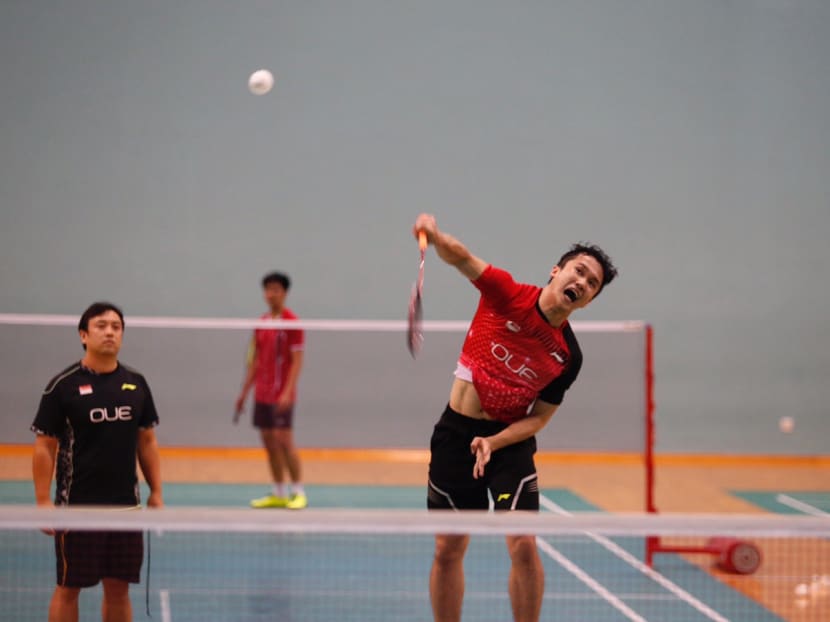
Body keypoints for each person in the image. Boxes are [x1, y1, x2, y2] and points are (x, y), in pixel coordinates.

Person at [414, 213, 617, 622]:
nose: (582, 282)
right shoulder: (506, 294)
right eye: (578, 271)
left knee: (523, 543)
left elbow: (539, 418)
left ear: (589, 301)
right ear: (556, 271)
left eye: (591, 283)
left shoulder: (568, 357)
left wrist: (495, 442)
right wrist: (435, 237)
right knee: (448, 548)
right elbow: (462, 257)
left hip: (508, 445)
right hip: (456, 436)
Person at [31, 302, 163, 622]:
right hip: (77, 508)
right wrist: (42, 501)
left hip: (125, 508)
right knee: (69, 588)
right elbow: (44, 447)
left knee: (118, 589)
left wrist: (157, 491)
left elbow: (147, 441)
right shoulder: (62, 386)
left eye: (116, 327)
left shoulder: (136, 383)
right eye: (101, 326)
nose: (109, 332)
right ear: (83, 335)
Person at [235, 271, 307, 510]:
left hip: (282, 393)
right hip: (262, 393)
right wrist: (244, 392)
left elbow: (297, 361)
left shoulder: (292, 323)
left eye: (276, 290)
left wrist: (288, 392)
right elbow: (255, 361)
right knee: (268, 441)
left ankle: (298, 491)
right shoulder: (262, 323)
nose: (271, 294)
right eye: (268, 290)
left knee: (284, 440)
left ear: (285, 293)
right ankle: (279, 491)